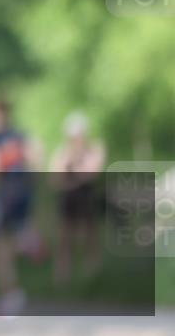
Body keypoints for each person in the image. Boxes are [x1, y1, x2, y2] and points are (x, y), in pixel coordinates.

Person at [0, 97, 41, 317]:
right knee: (1, 247)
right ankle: (26, 245)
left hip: (8, 195)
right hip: (22, 192)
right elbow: (36, 158)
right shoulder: (20, 136)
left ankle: (12, 294)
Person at [50, 111, 105, 284]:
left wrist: (72, 171)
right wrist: (71, 163)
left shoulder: (95, 148)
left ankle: (92, 274)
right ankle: (63, 276)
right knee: (65, 237)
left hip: (86, 196)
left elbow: (91, 173)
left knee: (89, 235)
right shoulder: (63, 152)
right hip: (68, 198)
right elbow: (55, 178)